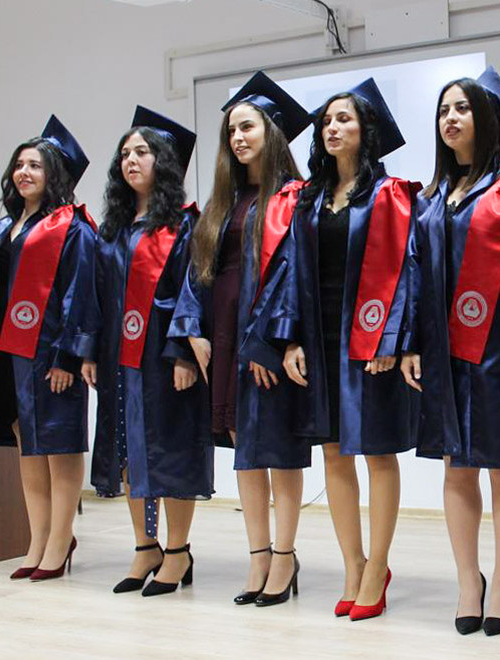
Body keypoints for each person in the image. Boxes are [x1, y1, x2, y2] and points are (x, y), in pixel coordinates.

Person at [403, 67, 500, 636]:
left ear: (485, 120)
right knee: (456, 466)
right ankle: (469, 580)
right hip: (445, 353)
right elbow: (414, 279)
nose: (450, 118)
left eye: (462, 108)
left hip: (499, 350)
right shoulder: (429, 201)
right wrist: (412, 345)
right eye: (443, 110)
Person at [266, 78, 418, 621]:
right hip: (320, 338)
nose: (333, 128)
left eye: (345, 119)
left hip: (369, 337)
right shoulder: (306, 200)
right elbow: (287, 274)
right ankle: (352, 563)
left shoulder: (390, 194)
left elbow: (407, 272)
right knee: (333, 451)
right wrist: (288, 341)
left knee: (376, 450)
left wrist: (393, 339)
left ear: (366, 130)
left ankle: (378, 565)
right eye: (327, 121)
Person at [168, 71, 312, 607]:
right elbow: (195, 274)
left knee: (278, 451)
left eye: (247, 126)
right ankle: (257, 556)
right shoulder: (221, 204)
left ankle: (285, 556)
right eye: (231, 130)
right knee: (246, 454)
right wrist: (191, 333)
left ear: (270, 132)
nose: (238, 138)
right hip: (224, 339)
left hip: (266, 340)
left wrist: (272, 340)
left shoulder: (294, 198)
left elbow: (295, 275)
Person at [81, 106, 213, 596]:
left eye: (141, 152)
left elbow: (193, 292)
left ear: (163, 161)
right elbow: (94, 295)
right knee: (127, 449)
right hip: (120, 360)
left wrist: (182, 352)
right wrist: (90, 351)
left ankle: (177, 551)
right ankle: (145, 547)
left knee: (171, 449)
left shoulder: (183, 224)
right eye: (124, 154)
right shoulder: (111, 230)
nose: (130, 160)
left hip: (163, 359)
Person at [0, 115, 95, 581]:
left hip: (50, 355)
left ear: (52, 174)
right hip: (8, 356)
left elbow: (82, 295)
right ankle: (37, 539)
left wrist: (68, 356)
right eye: (19, 164)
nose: (24, 172)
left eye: (35, 165)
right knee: (28, 449)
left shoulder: (72, 228)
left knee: (59, 447)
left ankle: (60, 541)